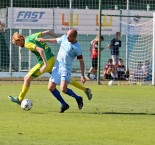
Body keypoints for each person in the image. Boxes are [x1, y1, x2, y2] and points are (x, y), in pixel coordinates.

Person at [8, 30, 92, 106]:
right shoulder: (32, 36)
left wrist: (44, 64)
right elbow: (48, 31)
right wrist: (61, 39)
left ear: (20, 40)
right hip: (52, 59)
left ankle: (20, 99)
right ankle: (85, 90)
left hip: (45, 62)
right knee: (65, 80)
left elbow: (40, 50)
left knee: (27, 78)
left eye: (16, 44)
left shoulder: (27, 43)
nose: (18, 46)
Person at [37, 29, 86, 113]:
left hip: (66, 69)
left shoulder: (77, 48)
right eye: (67, 35)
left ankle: (78, 98)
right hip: (57, 67)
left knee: (63, 89)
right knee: (51, 87)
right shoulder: (64, 38)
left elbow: (81, 62)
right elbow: (55, 40)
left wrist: (82, 75)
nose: (67, 38)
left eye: (69, 37)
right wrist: (44, 40)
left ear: (74, 37)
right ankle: (64, 104)